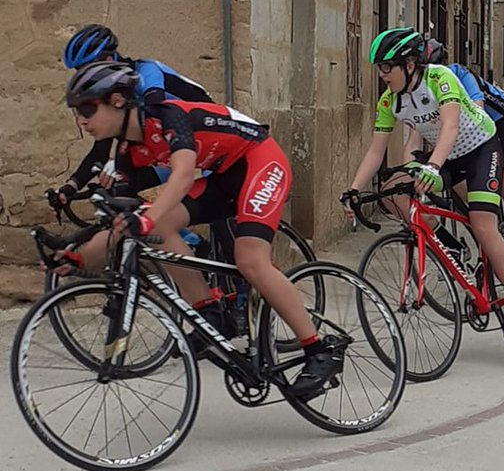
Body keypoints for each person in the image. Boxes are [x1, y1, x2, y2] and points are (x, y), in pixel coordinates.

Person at [60, 61, 340, 398]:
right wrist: (76, 257)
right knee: (153, 225)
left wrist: (145, 219)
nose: (81, 120)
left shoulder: (166, 116)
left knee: (250, 259)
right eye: (77, 112)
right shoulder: (126, 150)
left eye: (88, 108)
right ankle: (209, 312)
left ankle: (319, 349)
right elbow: (119, 223)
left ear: (118, 100)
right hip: (223, 176)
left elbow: (181, 175)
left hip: (259, 160)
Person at [341, 28, 504, 343]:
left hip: (481, 150)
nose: (382, 74)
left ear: (410, 64)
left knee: (484, 225)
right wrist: (353, 190)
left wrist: (432, 166)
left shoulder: (440, 78)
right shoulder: (390, 101)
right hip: (448, 159)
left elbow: (450, 126)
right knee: (395, 191)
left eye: (387, 67)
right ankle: (451, 245)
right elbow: (376, 150)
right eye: (379, 68)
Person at [54, 23, 212, 203]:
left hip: (211, 136)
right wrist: (71, 186)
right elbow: (101, 148)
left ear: (108, 60)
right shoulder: (115, 93)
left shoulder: (147, 72)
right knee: (119, 194)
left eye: (88, 70)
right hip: (177, 143)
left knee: (217, 211)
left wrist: (119, 164)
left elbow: (156, 115)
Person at [422, 39, 504, 266]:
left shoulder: (461, 75)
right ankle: (490, 237)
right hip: (466, 133)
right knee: (467, 191)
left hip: (501, 121)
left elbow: (479, 112)